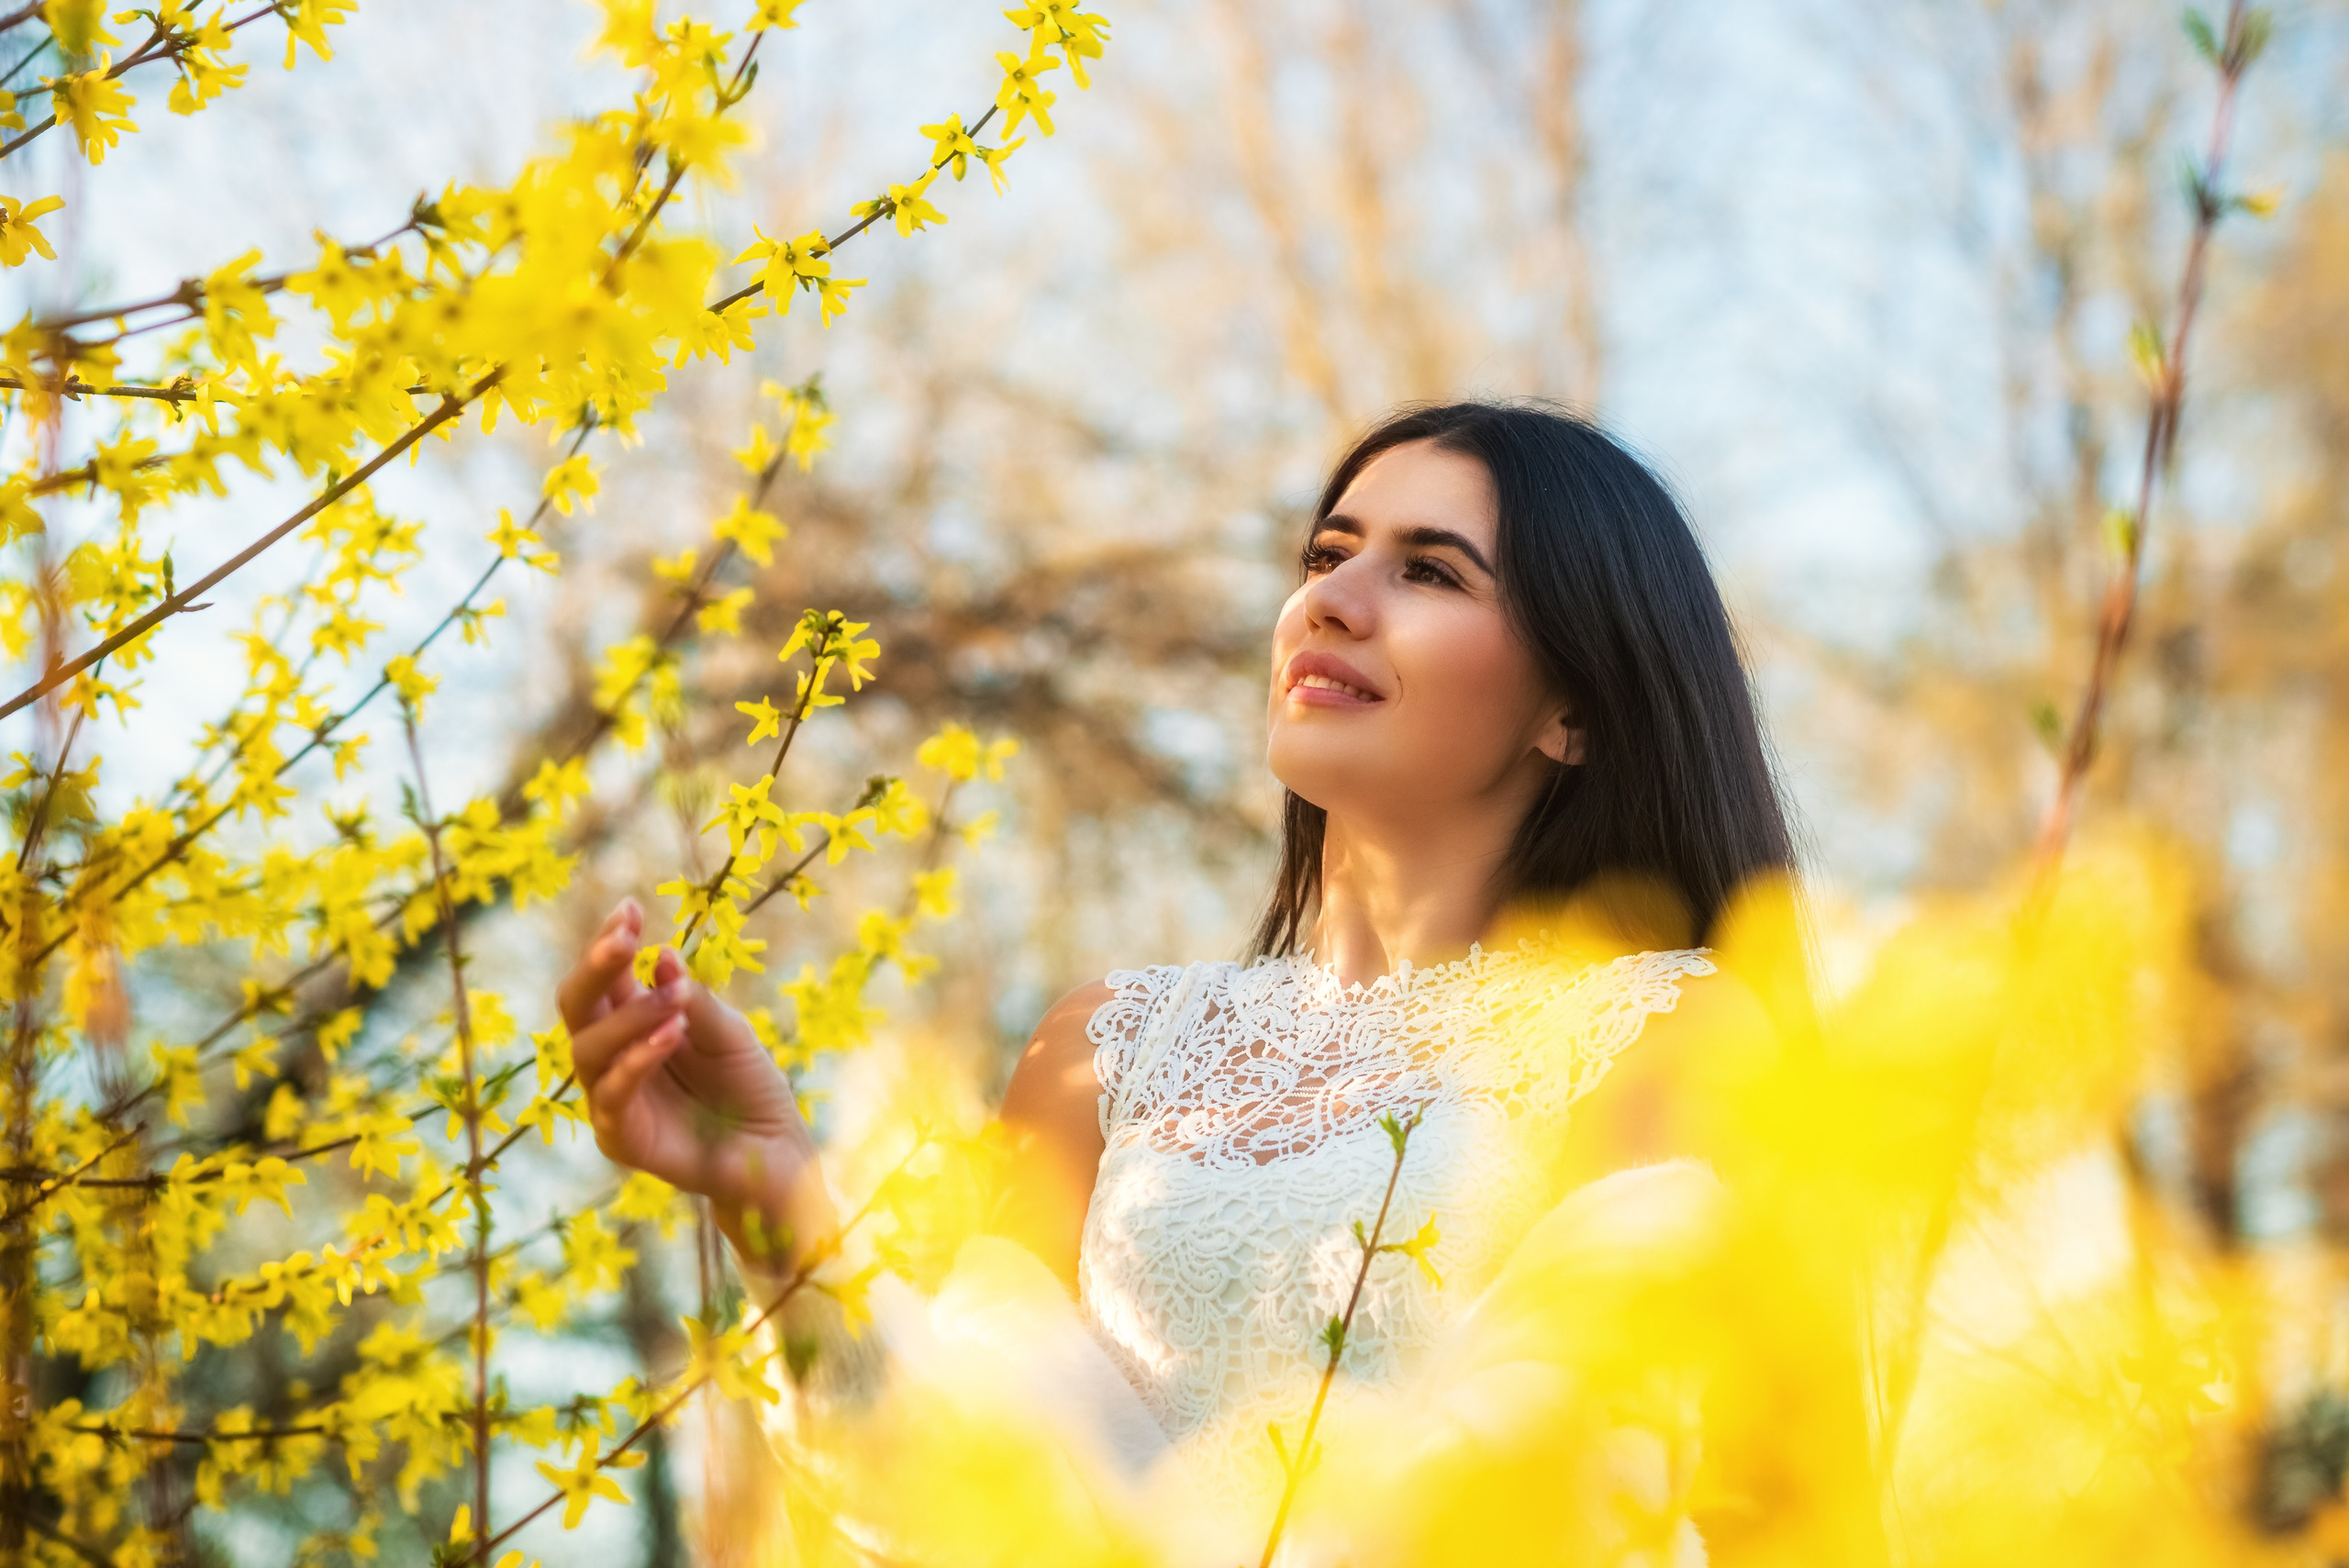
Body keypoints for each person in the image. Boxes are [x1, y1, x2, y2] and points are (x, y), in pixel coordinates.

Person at [553, 399, 1794, 1529]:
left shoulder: (1672, 1032)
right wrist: (777, 1193)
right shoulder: (1108, 1047)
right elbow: (959, 1494)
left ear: (1570, 710)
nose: (1333, 599)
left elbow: (1576, 1484)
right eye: (1326, 554)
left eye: (1429, 570)